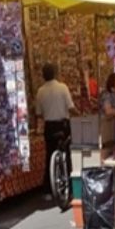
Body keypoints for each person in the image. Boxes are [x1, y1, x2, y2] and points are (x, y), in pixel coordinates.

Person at [35, 63, 78, 200]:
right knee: (67, 155)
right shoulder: (63, 87)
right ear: (55, 73)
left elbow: (38, 113)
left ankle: (47, 190)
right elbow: (71, 107)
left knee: (49, 156)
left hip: (49, 126)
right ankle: (71, 189)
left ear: (43, 76)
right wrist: (80, 114)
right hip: (63, 125)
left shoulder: (40, 91)